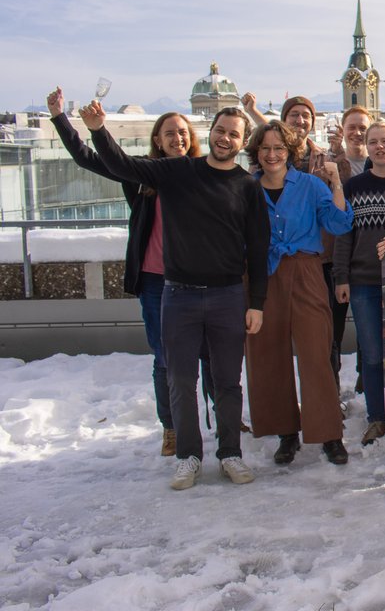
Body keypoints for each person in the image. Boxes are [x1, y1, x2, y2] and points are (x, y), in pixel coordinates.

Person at [82, 102, 268, 490]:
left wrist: (256, 304)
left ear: (241, 141)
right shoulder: (179, 171)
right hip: (179, 295)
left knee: (227, 382)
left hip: (228, 296)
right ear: (210, 131)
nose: (226, 137)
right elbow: (124, 167)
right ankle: (188, 457)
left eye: (235, 133)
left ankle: (230, 453)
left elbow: (258, 247)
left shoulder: (247, 185)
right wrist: (99, 130)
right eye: (221, 130)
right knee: (180, 380)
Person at [47, 88, 203, 457]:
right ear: (157, 141)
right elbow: (89, 159)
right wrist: (60, 119)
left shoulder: (203, 174)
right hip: (154, 280)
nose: (177, 138)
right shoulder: (141, 175)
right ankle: (172, 427)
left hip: (198, 279)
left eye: (182, 132)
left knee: (206, 355)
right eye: (169, 133)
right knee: (165, 357)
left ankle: (223, 419)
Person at [244, 120, 353, 467]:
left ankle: (329, 433)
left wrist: (336, 183)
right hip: (264, 274)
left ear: (290, 152)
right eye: (265, 148)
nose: (272, 154)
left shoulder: (310, 184)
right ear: (256, 153)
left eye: (279, 148)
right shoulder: (246, 188)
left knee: (315, 354)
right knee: (266, 354)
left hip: (306, 270)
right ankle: (285, 432)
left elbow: (338, 224)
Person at [334, 121, 385, 447]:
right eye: (372, 142)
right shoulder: (355, 186)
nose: (378, 147)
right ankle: (377, 416)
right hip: (363, 281)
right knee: (374, 354)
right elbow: (344, 234)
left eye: (384, 141)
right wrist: (341, 276)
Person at [327, 105, 372, 178]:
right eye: (352, 128)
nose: (357, 133)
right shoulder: (332, 162)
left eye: (362, 128)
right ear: (342, 130)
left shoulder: (378, 163)